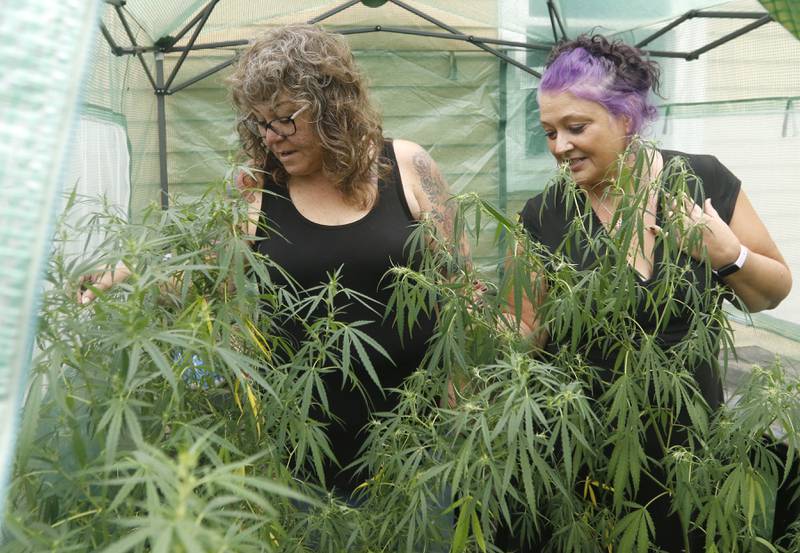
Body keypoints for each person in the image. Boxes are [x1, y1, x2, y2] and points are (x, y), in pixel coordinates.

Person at [507, 35, 792, 551]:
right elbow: (524, 331)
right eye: (549, 131)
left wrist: (726, 253)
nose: (558, 146)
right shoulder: (543, 214)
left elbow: (770, 293)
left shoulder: (702, 179)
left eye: (576, 127)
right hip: (580, 445)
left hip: (688, 447)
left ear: (626, 118)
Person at [227, 24, 461, 500]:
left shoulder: (408, 166)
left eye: (285, 117)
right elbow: (214, 293)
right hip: (300, 456)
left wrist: (460, 409)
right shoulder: (254, 190)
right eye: (259, 122)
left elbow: (462, 288)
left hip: (417, 447)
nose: (271, 136)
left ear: (333, 105)